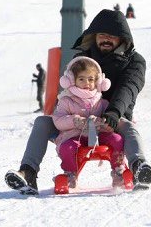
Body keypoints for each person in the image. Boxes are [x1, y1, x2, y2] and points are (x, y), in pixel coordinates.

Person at [6, 8, 151, 194]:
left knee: (129, 128)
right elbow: (69, 90)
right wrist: (69, 116)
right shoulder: (82, 60)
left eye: (112, 36)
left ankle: (139, 167)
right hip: (76, 120)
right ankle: (28, 172)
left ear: (122, 38)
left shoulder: (134, 61)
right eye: (102, 35)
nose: (106, 39)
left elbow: (129, 87)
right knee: (42, 122)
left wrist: (114, 112)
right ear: (94, 36)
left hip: (111, 117)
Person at [52, 57, 127, 189]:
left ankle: (119, 171)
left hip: (99, 136)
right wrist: (75, 121)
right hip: (75, 136)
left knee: (117, 139)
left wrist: (103, 123)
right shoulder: (66, 101)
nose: (87, 83)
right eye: (81, 79)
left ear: (98, 82)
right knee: (67, 148)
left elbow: (111, 123)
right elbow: (58, 120)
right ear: (71, 81)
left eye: (91, 79)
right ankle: (70, 174)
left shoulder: (102, 102)